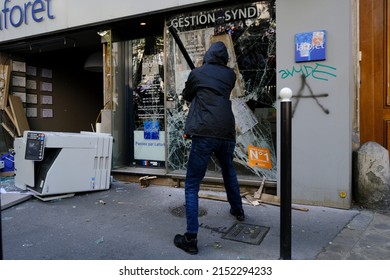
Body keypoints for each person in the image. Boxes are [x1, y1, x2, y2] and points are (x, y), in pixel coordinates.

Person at [174, 41, 245, 255]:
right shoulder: (230, 75)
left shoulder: (198, 73)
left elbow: (188, 95)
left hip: (204, 131)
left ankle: (191, 238)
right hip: (225, 131)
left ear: (208, 54)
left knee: (192, 184)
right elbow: (214, 87)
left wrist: (198, 69)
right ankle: (238, 210)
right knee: (228, 171)